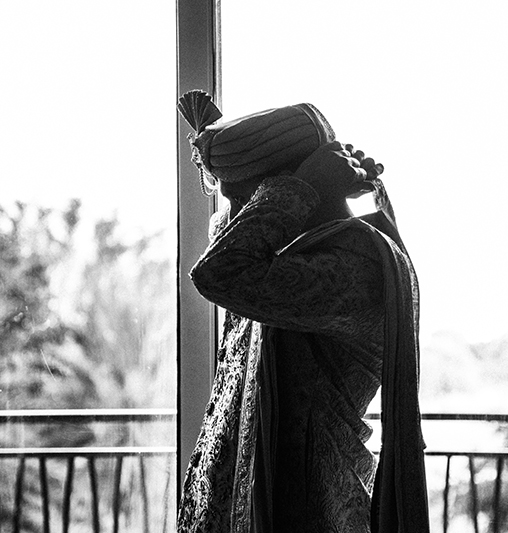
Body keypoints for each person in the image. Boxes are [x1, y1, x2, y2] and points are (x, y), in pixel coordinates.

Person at [176, 91, 429, 533]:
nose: (237, 220)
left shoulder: (354, 266)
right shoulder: (285, 257)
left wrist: (299, 187)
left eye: (248, 202)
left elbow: (218, 273)